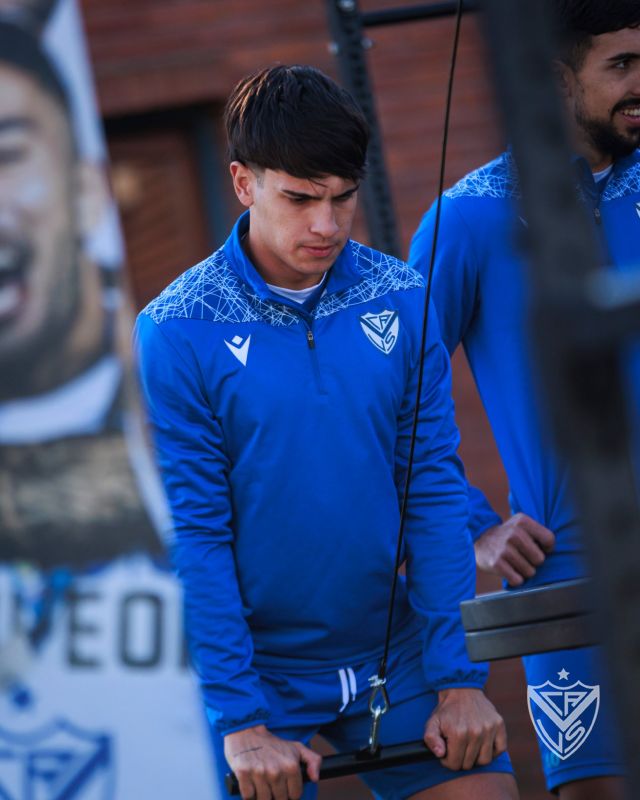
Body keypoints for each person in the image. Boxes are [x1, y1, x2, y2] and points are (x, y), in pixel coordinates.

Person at [135, 63, 519, 800]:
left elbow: (432, 491)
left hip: (391, 650)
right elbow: (196, 534)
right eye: (301, 198)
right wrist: (240, 719)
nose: (327, 225)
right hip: (253, 669)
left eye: (344, 197)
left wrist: (458, 679)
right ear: (244, 183)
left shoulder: (400, 297)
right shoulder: (177, 329)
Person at [409, 2, 639, 798]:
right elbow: (394, 398)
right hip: (569, 572)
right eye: (622, 66)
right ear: (555, 78)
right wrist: (474, 525)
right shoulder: (467, 219)